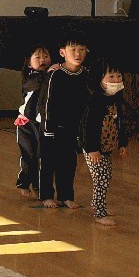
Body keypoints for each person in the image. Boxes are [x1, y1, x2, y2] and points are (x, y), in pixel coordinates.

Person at [38, 36, 93, 208]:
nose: (78, 54)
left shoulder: (86, 75)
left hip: (72, 128)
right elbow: (46, 103)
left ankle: (66, 196)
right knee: (48, 164)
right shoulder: (55, 75)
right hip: (52, 128)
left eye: (82, 49)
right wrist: (47, 128)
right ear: (62, 52)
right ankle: (46, 195)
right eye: (73, 50)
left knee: (69, 164)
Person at [80, 69, 137, 227]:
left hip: (106, 149)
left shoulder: (115, 100)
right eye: (111, 76)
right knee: (101, 180)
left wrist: (122, 143)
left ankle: (97, 204)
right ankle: (99, 213)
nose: (116, 79)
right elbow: (87, 127)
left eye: (119, 76)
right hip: (94, 150)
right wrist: (92, 149)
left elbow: (120, 124)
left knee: (105, 177)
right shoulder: (95, 101)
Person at [15, 45, 52, 198]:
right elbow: (38, 82)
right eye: (38, 57)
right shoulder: (30, 77)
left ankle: (38, 186)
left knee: (41, 155)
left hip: (41, 123)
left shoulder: (51, 76)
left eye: (46, 57)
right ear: (29, 63)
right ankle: (24, 183)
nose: (43, 60)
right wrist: (50, 73)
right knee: (28, 155)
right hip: (25, 123)